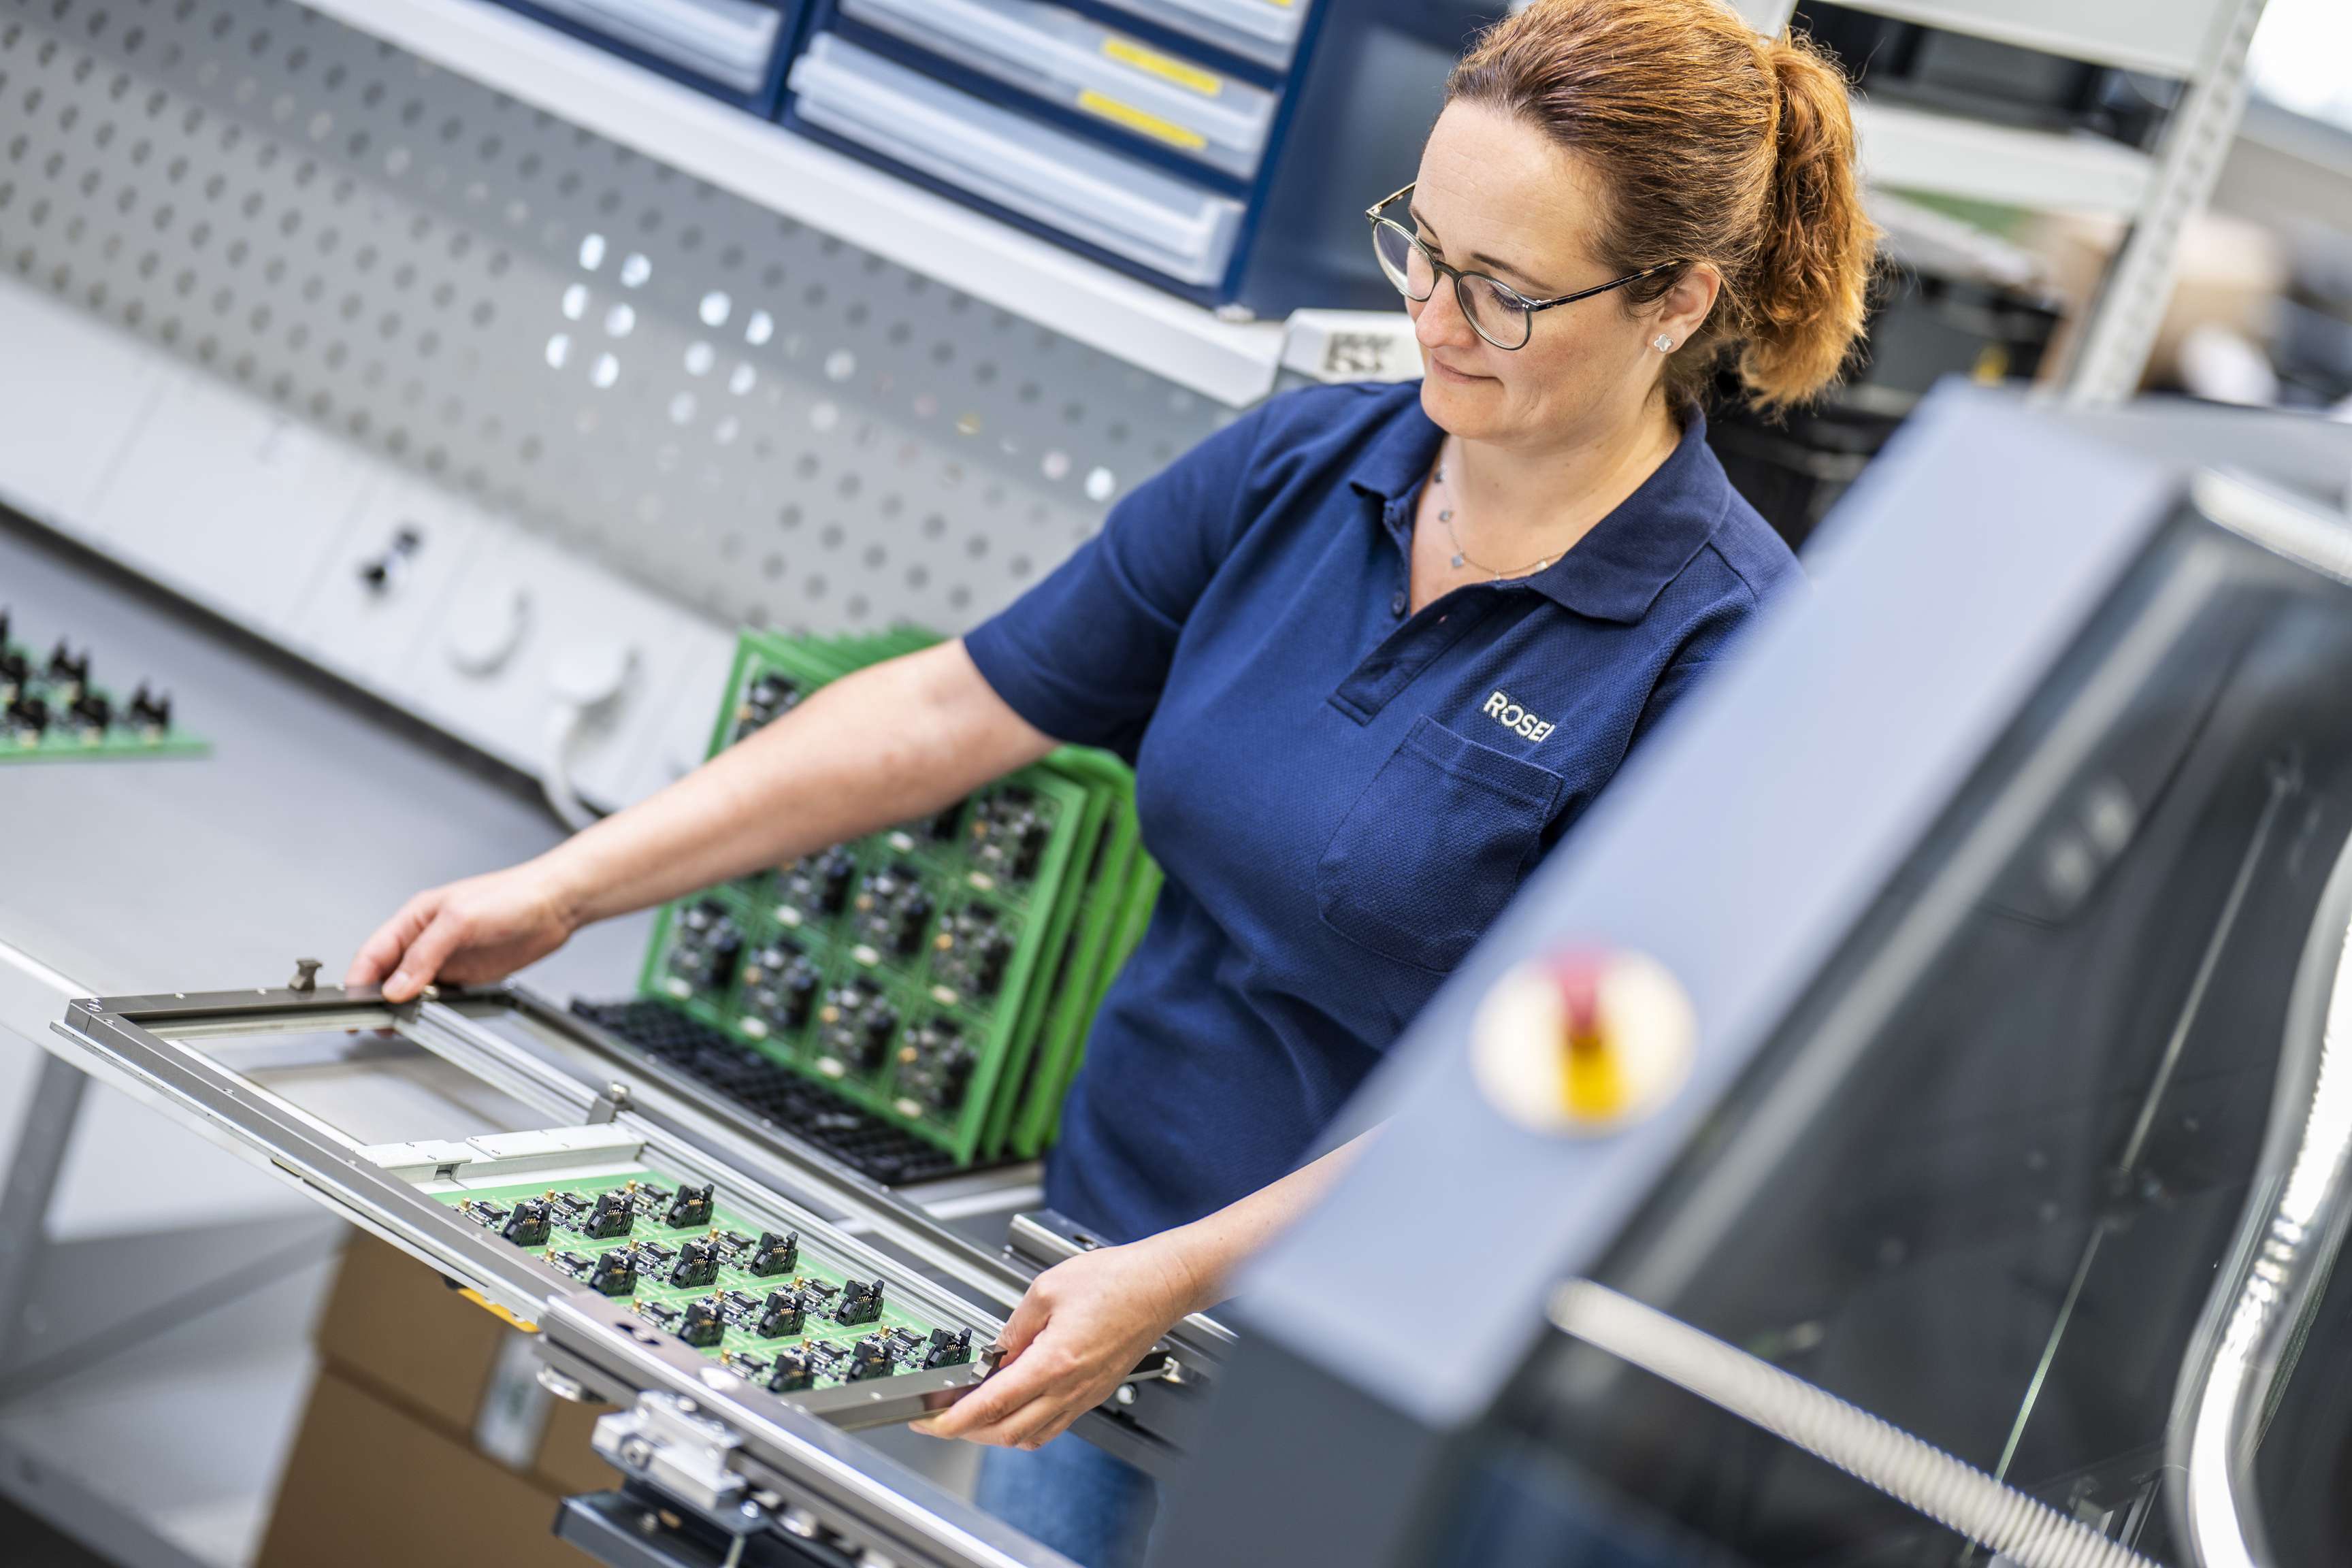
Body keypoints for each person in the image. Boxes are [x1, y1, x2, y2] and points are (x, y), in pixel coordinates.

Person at [346, 0, 1874, 1558]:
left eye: (1504, 291)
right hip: (1094, 1268)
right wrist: (564, 886)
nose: (1433, 316)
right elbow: (959, 701)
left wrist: (1188, 1274)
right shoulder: (1301, 471)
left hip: (1368, 1394)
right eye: (1420, 244)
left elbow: (1563, 1105)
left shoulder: (1722, 659)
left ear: (1677, 301)